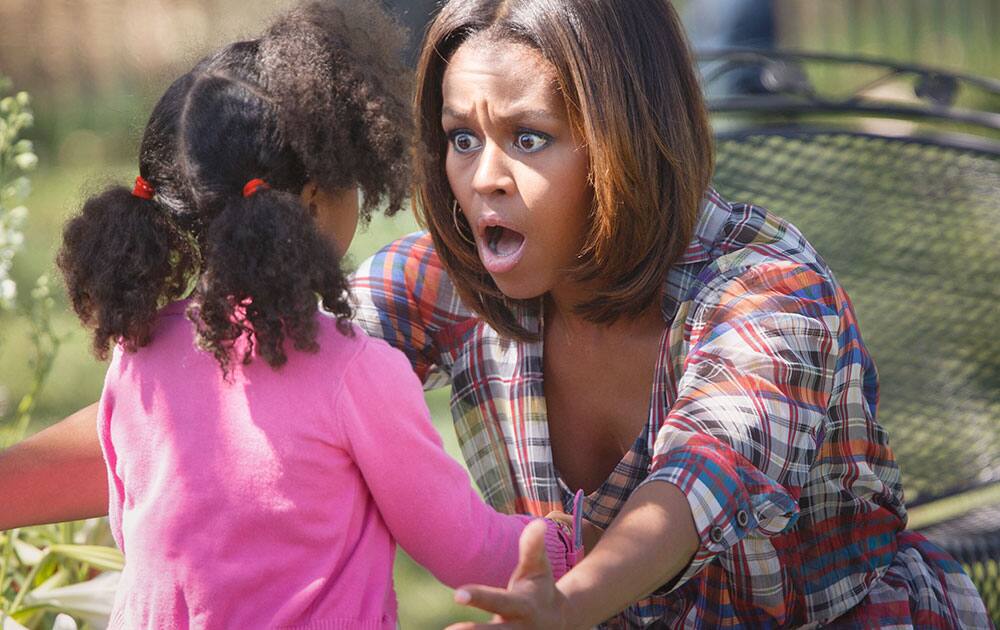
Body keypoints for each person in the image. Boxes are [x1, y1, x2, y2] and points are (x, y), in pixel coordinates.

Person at [0, 0, 990, 628]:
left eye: (528, 136)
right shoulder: (450, 274)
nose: (483, 179)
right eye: (458, 137)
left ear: (624, 139)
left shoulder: (766, 291)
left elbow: (693, 486)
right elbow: (234, 398)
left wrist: (566, 602)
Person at [36, 2, 583, 628]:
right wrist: (569, 544)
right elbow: (466, 549)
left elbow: (138, 533)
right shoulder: (357, 373)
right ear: (318, 199)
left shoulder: (138, 357)